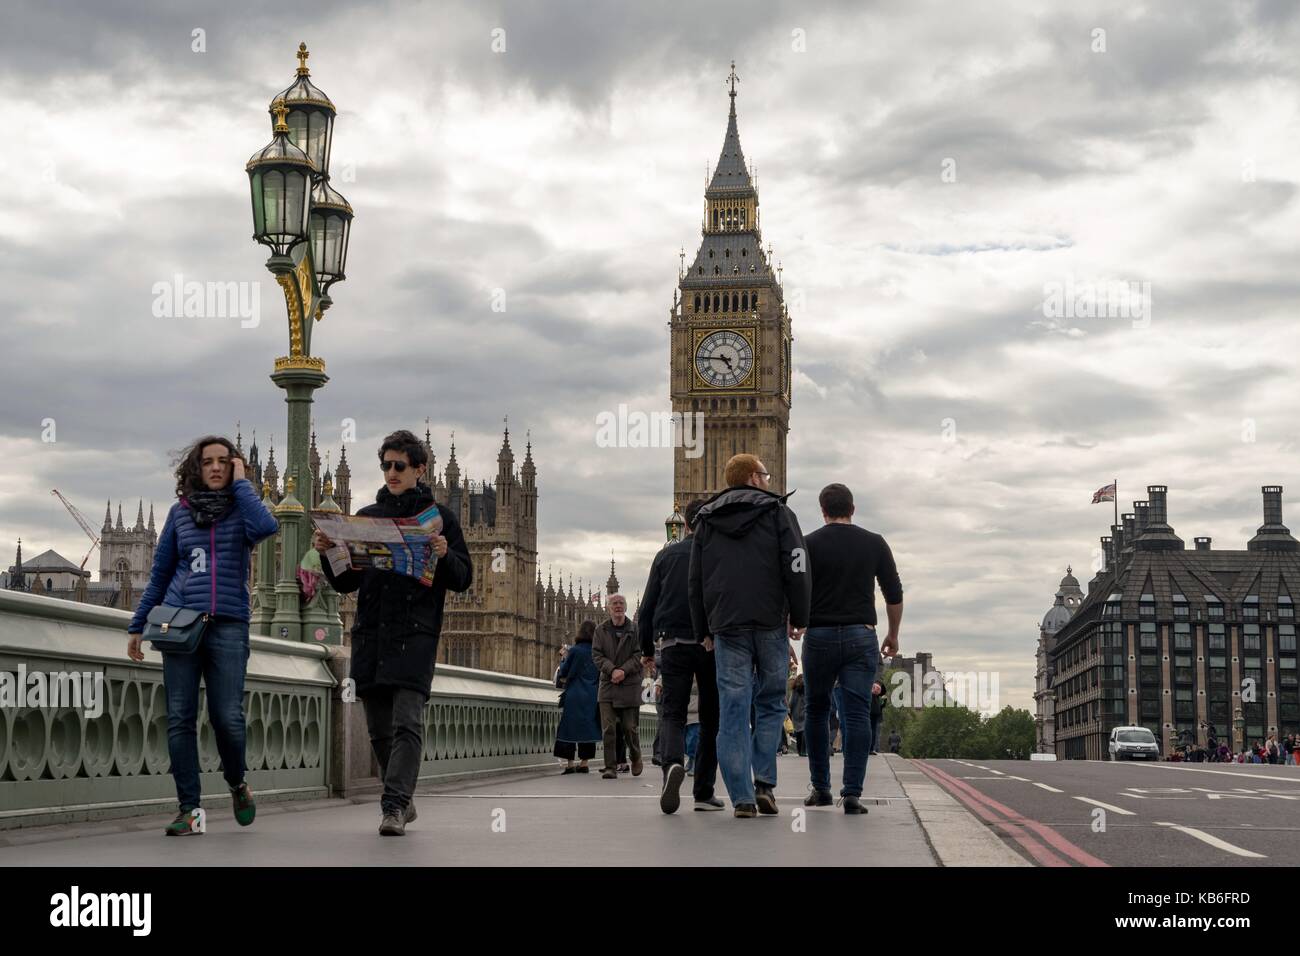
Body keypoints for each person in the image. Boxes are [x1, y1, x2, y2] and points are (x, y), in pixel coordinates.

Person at [314, 429, 472, 836]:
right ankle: (401, 795)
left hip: (415, 635)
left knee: (407, 722)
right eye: (386, 465)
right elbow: (347, 583)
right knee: (378, 729)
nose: (391, 472)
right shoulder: (366, 518)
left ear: (420, 469)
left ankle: (395, 805)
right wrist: (327, 550)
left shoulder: (440, 520)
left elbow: (463, 577)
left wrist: (444, 553)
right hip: (371, 634)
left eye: (399, 465)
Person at [127, 435, 279, 836]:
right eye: (207, 461)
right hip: (180, 624)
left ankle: (236, 783)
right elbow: (160, 575)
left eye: (223, 462)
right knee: (179, 717)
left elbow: (268, 525)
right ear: (196, 468)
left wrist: (244, 484)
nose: (215, 467)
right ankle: (189, 809)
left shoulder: (243, 512)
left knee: (227, 717)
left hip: (229, 624)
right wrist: (137, 624)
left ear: (234, 467)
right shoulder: (179, 514)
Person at [689, 454, 810, 818]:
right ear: (755, 478)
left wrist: (702, 630)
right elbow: (798, 562)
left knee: (733, 709)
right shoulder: (779, 512)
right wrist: (800, 615)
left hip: (726, 626)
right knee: (771, 702)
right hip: (770, 621)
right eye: (765, 474)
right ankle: (764, 785)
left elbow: (695, 580)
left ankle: (741, 797)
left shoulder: (706, 519)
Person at [801, 482, 903, 814]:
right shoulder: (874, 543)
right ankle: (853, 793)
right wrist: (893, 634)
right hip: (862, 634)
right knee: (857, 713)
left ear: (823, 510)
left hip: (819, 635)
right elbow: (894, 593)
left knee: (816, 710)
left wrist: (795, 621)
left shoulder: (808, 544)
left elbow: (794, 587)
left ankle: (821, 788)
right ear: (853, 509)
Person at [641, 498, 722, 813]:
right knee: (710, 717)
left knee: (673, 713)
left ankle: (672, 765)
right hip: (709, 644)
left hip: (672, 643)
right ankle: (703, 791)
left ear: (685, 524)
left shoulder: (666, 556)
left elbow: (647, 608)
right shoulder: (716, 555)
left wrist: (647, 650)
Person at [592, 594, 644, 779]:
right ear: (608, 607)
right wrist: (612, 670)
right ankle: (610, 767)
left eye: (621, 603)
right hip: (607, 685)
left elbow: (639, 655)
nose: (618, 606)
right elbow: (597, 655)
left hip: (629, 684)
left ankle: (636, 756)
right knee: (609, 728)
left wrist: (623, 671)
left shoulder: (635, 629)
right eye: (614, 603)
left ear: (626, 607)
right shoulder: (600, 630)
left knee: (630, 728)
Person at [554, 622, 601, 773]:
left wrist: (563, 658)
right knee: (587, 727)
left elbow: (563, 672)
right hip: (592, 694)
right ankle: (584, 763)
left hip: (574, 693)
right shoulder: (597, 652)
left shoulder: (574, 651)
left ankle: (569, 764)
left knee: (569, 728)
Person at [789, 673, 807, 757]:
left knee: (798, 732)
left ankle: (799, 750)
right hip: (804, 712)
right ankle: (803, 750)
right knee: (803, 731)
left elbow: (791, 702)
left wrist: (790, 712)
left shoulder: (794, 690)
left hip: (795, 713)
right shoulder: (806, 689)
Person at [869, 678, 888, 755]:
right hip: (870, 714)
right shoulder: (870, 695)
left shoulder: (877, 697)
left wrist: (885, 701)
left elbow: (881, 706)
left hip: (875, 715)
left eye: (878, 688)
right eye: (875, 688)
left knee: (873, 732)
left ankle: (871, 748)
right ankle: (869, 748)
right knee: (870, 731)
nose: (876, 690)